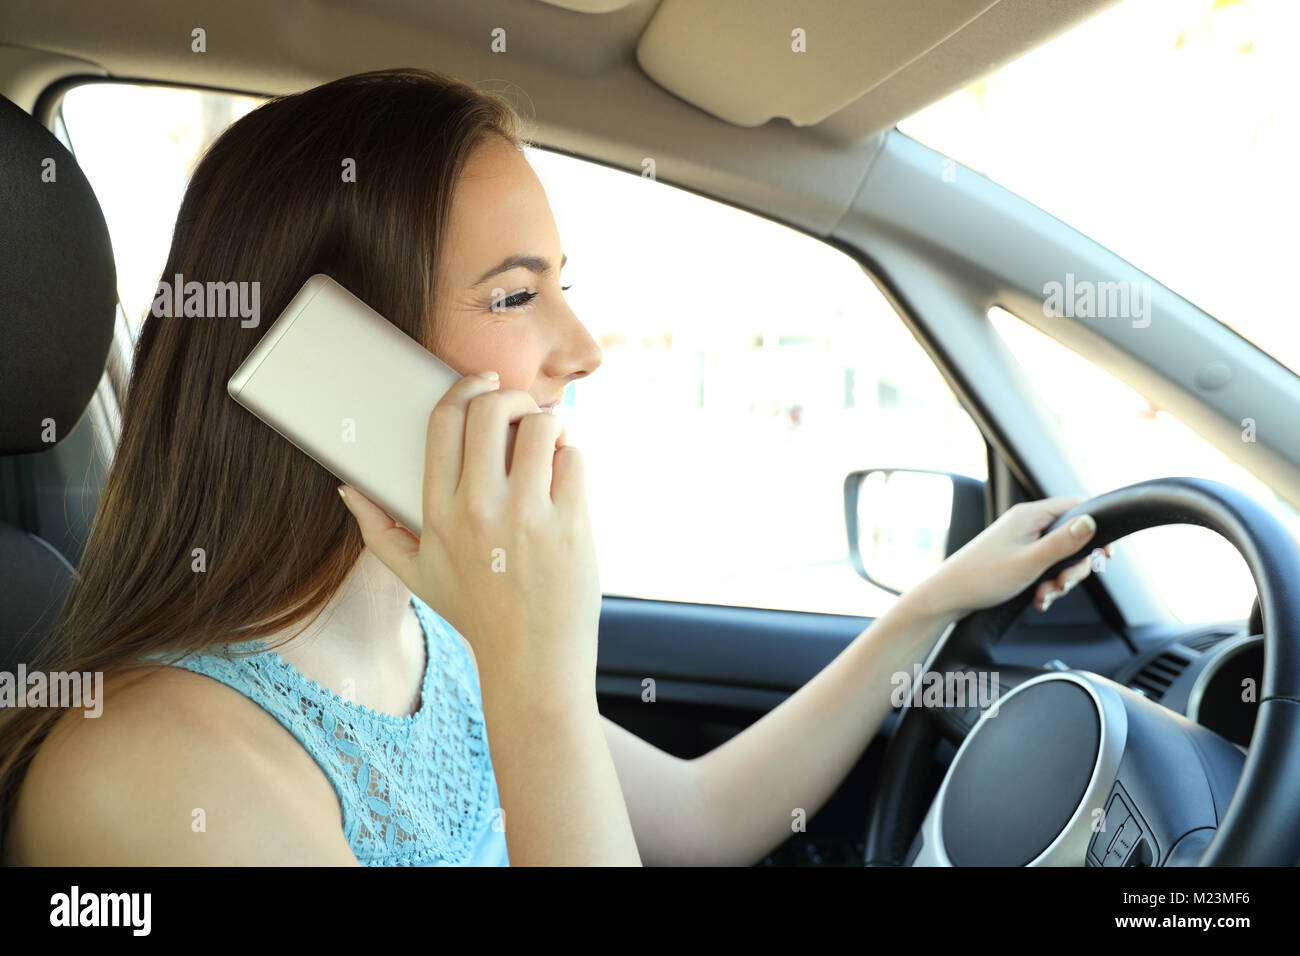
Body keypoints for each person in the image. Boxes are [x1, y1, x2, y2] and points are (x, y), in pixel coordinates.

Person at [0, 67, 1106, 866]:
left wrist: (937, 597)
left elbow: (703, 816)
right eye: (517, 295)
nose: (582, 350)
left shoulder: (434, 634)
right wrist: (536, 683)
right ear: (324, 361)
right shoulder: (145, 780)